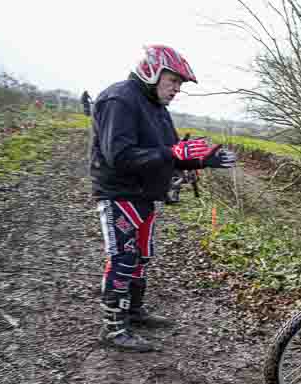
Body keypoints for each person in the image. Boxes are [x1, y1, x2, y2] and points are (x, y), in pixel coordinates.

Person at [91, 44, 237, 352]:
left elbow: (171, 154)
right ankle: (113, 328)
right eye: (173, 81)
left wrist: (204, 159)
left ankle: (133, 311)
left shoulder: (157, 108)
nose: (177, 89)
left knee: (142, 256)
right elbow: (118, 155)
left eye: (180, 84)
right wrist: (171, 152)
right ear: (152, 71)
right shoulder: (120, 98)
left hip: (146, 195)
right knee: (123, 258)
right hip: (120, 193)